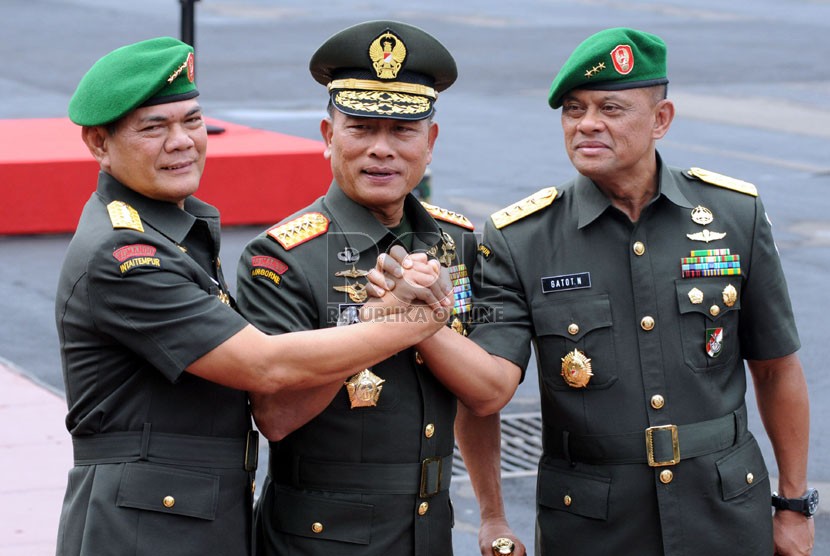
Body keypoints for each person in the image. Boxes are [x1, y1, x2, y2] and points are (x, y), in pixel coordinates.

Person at [371, 27, 816, 556]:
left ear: (661, 120)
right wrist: (491, 517)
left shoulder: (734, 215)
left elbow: (776, 367)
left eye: (611, 108)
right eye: (573, 109)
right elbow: (483, 394)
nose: (587, 124)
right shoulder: (521, 239)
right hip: (590, 523)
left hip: (722, 513)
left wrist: (792, 504)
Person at [55, 36, 449, 556]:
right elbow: (266, 368)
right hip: (143, 528)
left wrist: (374, 314)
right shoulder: (125, 254)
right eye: (154, 127)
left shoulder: (168, 231)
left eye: (191, 121)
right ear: (99, 144)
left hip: (191, 513)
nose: (181, 141)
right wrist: (417, 317)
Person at [235, 20, 525, 556]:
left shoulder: (460, 244)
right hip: (319, 538)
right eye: (361, 128)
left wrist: (492, 516)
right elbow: (275, 418)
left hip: (429, 530)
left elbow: (486, 395)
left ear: (430, 142)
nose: (381, 150)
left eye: (402, 131)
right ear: (328, 138)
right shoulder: (281, 257)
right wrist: (384, 321)